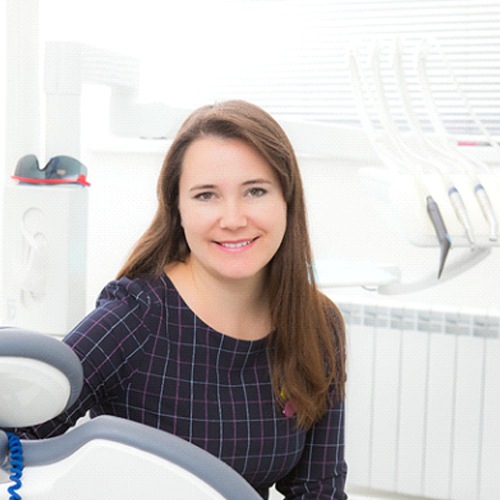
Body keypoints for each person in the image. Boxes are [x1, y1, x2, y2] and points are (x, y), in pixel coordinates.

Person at [19, 100, 347, 499]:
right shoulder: (134, 319)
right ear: (177, 209)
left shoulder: (317, 324)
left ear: (287, 200)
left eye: (255, 191)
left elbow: (318, 490)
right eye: (206, 195)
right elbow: (20, 440)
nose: (233, 218)